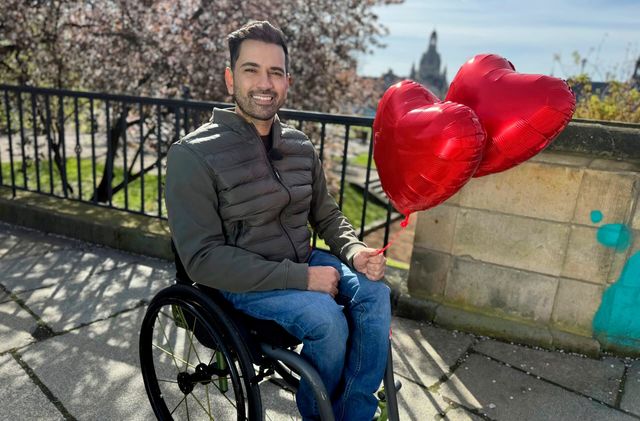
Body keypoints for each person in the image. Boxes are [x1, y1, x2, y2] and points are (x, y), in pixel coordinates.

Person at [165, 20, 391, 421]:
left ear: (287, 82)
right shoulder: (192, 155)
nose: (264, 83)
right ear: (230, 78)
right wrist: (302, 278)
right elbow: (202, 260)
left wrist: (356, 251)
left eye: (275, 72)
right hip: (243, 280)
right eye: (251, 70)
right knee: (327, 320)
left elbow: (326, 213)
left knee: (375, 293)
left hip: (302, 258)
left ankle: (353, 413)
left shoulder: (299, 145)